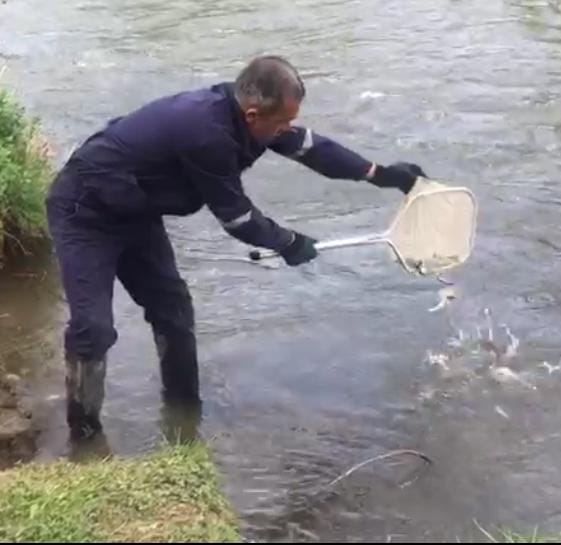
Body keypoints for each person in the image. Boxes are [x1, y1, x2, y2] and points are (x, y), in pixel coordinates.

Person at [46, 55, 426, 439]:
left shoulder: (253, 119)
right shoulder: (205, 132)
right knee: (93, 328)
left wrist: (380, 175)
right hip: (85, 211)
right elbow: (237, 217)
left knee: (173, 310)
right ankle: (85, 433)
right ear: (252, 116)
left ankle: (183, 412)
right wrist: (289, 242)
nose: (288, 129)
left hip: (135, 210)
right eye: (282, 123)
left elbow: (314, 150)